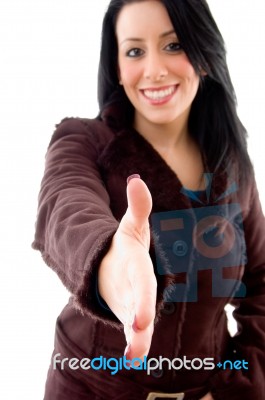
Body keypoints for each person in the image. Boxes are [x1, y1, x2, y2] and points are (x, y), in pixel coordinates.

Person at [32, 0, 265, 399]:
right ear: (118, 67)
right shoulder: (84, 140)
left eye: (173, 45)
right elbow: (65, 206)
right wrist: (110, 262)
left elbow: (260, 286)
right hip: (90, 386)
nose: (154, 69)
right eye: (135, 50)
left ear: (205, 54)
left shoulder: (233, 165)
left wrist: (235, 389)